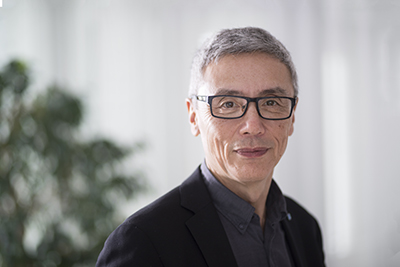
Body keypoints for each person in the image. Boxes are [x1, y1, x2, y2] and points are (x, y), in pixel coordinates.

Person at [96, 27, 325, 267]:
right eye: (228, 104)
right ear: (194, 117)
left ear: (292, 117)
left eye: (270, 102)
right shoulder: (142, 242)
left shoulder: (304, 227)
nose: (253, 126)